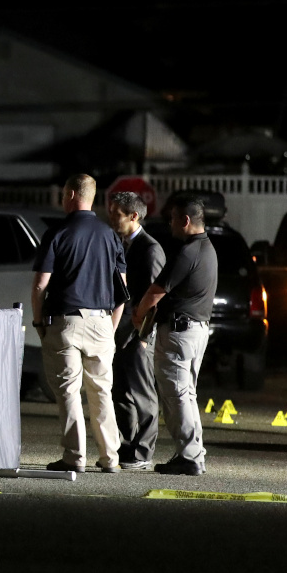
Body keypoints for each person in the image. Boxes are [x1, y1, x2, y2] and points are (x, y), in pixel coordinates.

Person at [31, 174, 126, 474]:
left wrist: (38, 322)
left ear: (72, 194)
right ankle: (111, 457)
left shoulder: (57, 233)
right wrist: (110, 326)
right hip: (101, 322)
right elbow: (122, 288)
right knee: (101, 392)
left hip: (66, 323)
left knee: (69, 392)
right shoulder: (110, 235)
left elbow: (39, 285)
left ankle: (75, 458)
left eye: (63, 193)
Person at [132, 195, 218, 476]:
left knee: (176, 395)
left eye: (172, 219)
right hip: (196, 331)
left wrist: (138, 314)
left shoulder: (188, 252)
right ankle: (193, 452)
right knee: (186, 394)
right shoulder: (207, 249)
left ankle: (190, 457)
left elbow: (157, 290)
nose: (169, 224)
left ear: (185, 220)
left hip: (180, 332)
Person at [108, 191, 166, 471]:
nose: (111, 218)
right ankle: (126, 446)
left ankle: (143, 451)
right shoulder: (120, 243)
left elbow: (155, 296)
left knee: (142, 393)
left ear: (134, 216)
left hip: (138, 333)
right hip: (119, 331)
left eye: (116, 214)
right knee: (120, 390)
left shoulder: (150, 248)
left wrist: (145, 337)